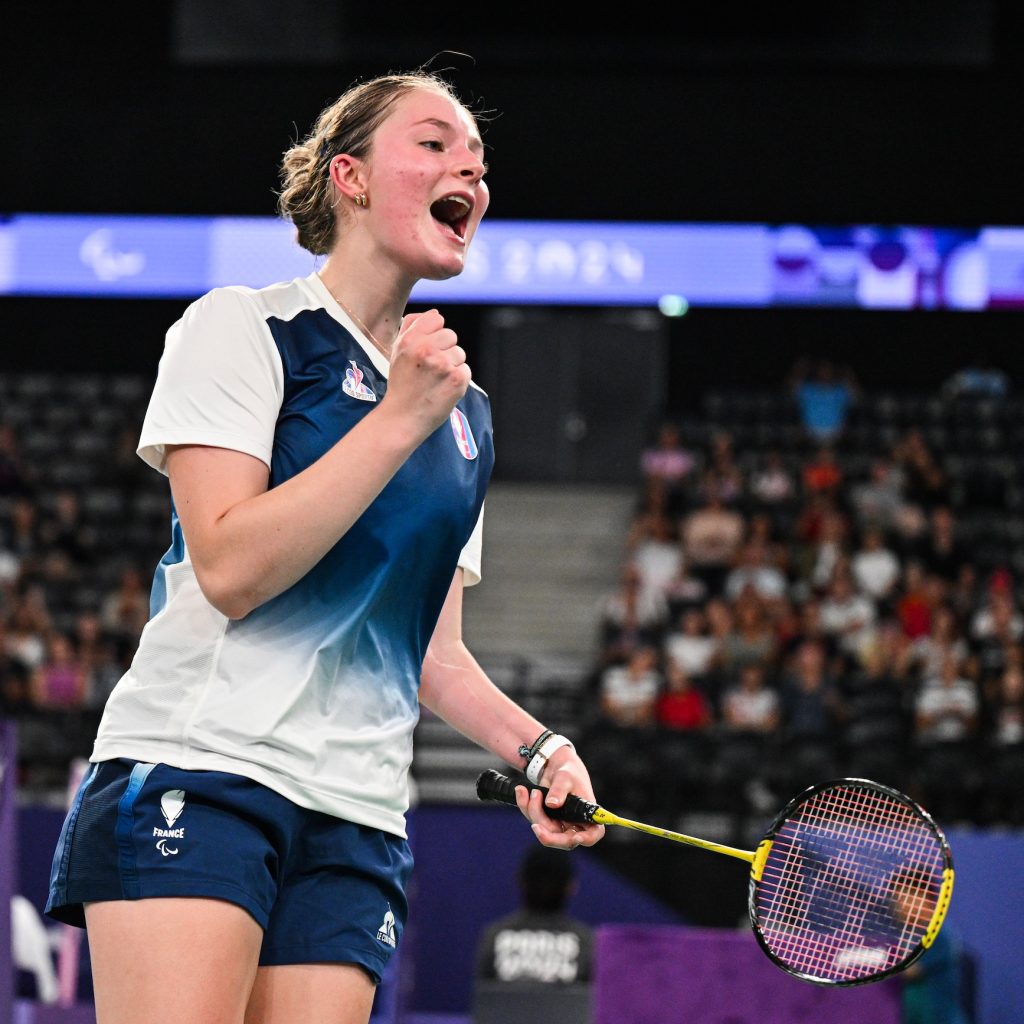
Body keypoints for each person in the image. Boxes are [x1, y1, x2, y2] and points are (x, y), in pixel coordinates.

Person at [44, 70, 604, 1024]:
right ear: (348, 175)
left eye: (476, 157)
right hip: (205, 767)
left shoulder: (463, 414)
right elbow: (227, 569)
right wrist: (395, 419)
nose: (466, 163)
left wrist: (540, 747)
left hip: (355, 814)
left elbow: (432, 650)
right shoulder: (245, 328)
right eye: (432, 143)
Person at [475, 846, 593, 985]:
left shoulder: (495, 935)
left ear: (520, 881)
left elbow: (483, 1000)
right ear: (571, 887)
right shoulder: (586, 941)